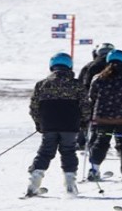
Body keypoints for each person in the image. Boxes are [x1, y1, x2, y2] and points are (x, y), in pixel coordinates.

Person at [27, 52, 91, 197]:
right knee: (68, 151)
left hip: (49, 125)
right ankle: (70, 184)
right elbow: (85, 106)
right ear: (69, 66)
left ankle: (34, 183)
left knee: (45, 152)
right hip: (70, 125)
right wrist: (84, 122)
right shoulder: (76, 85)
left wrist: (39, 123)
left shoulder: (42, 84)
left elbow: (34, 107)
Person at [87, 49, 122, 181]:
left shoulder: (98, 78)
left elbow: (92, 97)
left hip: (103, 118)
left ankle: (94, 168)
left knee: (101, 141)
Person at [76, 42, 115, 150]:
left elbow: (81, 83)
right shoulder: (117, 66)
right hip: (115, 102)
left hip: (91, 100)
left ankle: (81, 141)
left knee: (86, 120)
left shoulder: (90, 66)